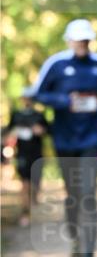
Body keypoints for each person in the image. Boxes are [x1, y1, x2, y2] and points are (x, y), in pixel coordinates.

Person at [31, 18, 97, 257]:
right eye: (78, 40)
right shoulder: (56, 64)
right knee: (74, 196)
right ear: (69, 41)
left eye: (86, 40)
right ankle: (76, 241)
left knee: (88, 194)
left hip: (92, 137)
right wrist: (62, 101)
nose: (82, 44)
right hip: (64, 138)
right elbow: (37, 94)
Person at [3, 89, 50, 226]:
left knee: (35, 184)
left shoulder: (39, 115)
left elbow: (48, 131)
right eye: (25, 97)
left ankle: (33, 201)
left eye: (29, 98)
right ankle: (25, 212)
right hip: (22, 154)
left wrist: (40, 131)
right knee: (24, 184)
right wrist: (12, 135)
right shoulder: (16, 115)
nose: (27, 100)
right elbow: (7, 133)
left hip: (37, 154)